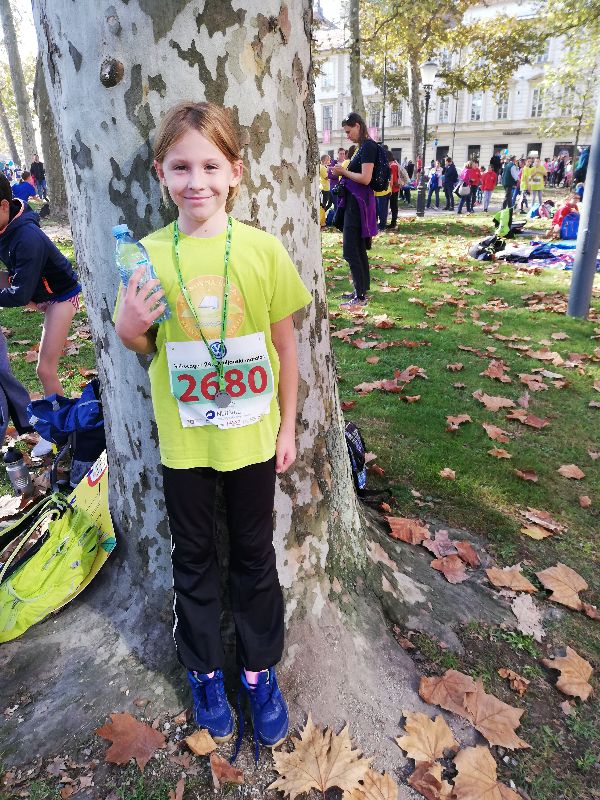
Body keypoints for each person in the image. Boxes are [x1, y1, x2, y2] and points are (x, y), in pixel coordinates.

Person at [114, 101, 311, 754]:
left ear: (235, 173)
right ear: (160, 173)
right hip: (186, 443)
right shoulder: (145, 256)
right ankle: (203, 673)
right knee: (193, 558)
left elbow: (287, 347)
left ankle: (258, 674)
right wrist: (130, 330)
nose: (195, 181)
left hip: (253, 439)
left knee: (255, 556)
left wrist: (287, 428)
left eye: (209, 166)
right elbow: (145, 345)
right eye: (180, 168)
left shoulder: (263, 250)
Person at [0, 174, 81, 458]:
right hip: (42, 291)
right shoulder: (6, 225)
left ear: (3, 206)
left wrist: (30, 297)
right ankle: (61, 427)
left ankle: (61, 432)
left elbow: (19, 295)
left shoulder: (26, 237)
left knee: (45, 369)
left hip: (62, 297)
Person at [331, 112, 378, 308]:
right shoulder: (364, 147)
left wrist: (343, 171)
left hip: (358, 204)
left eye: (349, 131)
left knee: (351, 250)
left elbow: (366, 179)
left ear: (358, 126)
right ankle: (361, 291)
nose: (347, 136)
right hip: (356, 202)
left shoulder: (368, 147)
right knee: (357, 249)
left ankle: (360, 297)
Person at [388, 151, 400, 228]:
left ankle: (393, 222)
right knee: (394, 206)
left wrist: (390, 189)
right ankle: (393, 221)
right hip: (396, 188)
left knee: (393, 206)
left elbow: (394, 179)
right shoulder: (395, 164)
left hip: (393, 189)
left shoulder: (392, 166)